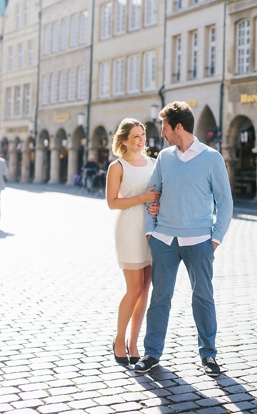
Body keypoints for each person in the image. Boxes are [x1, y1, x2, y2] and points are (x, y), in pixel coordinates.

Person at [134, 101, 233, 377]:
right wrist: (150, 231)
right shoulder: (165, 157)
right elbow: (151, 194)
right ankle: (152, 353)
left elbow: (225, 202)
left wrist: (215, 239)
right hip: (163, 240)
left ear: (178, 127)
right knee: (160, 298)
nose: (162, 133)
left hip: (200, 242)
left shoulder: (212, 158)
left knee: (203, 297)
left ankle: (209, 355)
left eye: (164, 127)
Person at [105, 119, 161, 366]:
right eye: (136, 136)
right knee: (134, 288)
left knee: (145, 289)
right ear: (124, 140)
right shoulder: (117, 167)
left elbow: (160, 193)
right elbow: (112, 202)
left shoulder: (154, 163)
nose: (141, 140)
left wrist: (157, 203)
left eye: (143, 135)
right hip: (129, 228)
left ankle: (134, 342)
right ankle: (119, 340)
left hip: (152, 229)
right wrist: (143, 198)